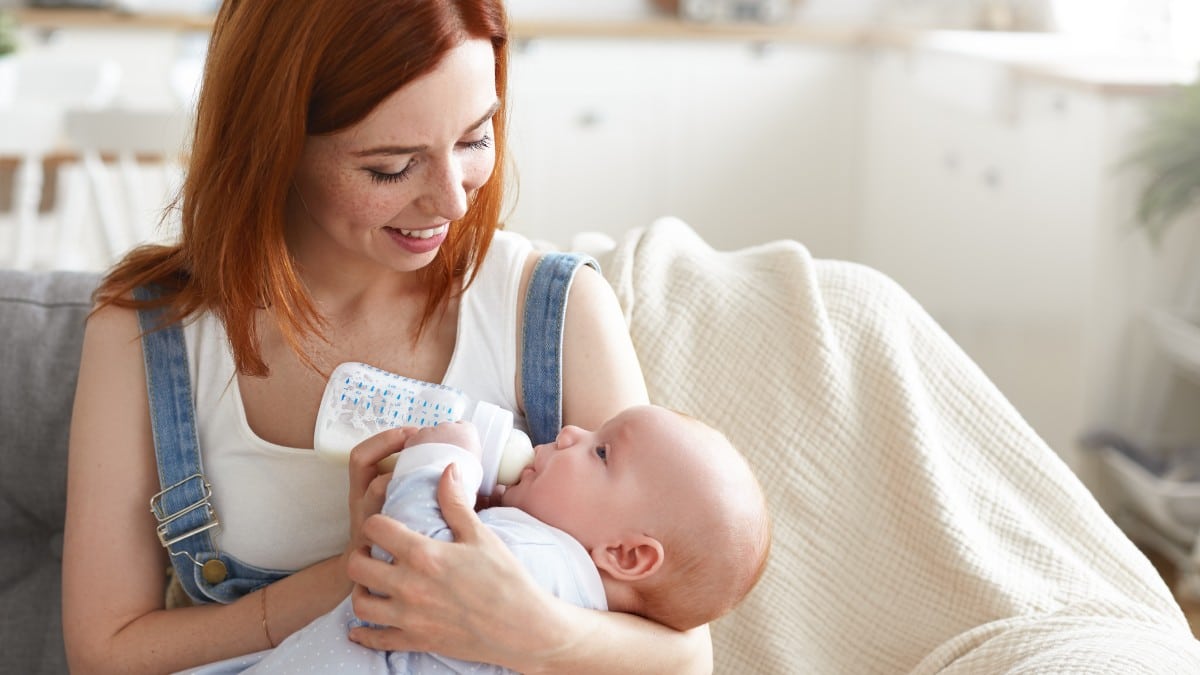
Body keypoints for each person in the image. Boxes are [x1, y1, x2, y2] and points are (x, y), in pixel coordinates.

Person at [61, 1, 713, 673]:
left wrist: (529, 625)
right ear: (273, 144)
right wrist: (365, 575)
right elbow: (104, 653)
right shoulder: (148, 331)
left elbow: (684, 652)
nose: (454, 202)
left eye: (474, 139)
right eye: (392, 167)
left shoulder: (555, 310)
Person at [218, 405, 770, 673]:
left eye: (601, 451)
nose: (572, 432)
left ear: (625, 555)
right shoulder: (565, 591)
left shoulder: (543, 561)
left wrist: (440, 460)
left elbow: (408, 567)